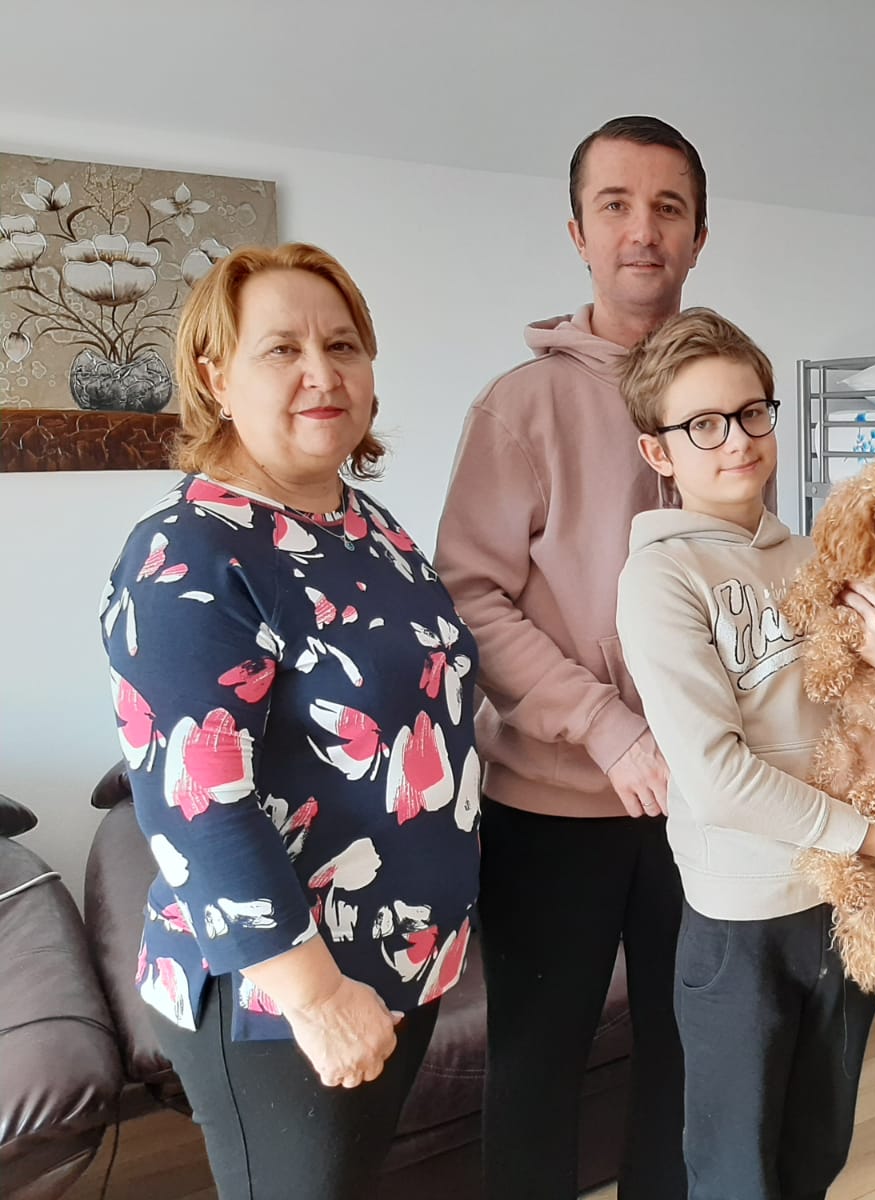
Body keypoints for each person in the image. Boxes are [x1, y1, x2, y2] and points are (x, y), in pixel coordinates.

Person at [101, 243, 481, 1199]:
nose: (324, 372)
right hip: (283, 993)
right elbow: (196, 804)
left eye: (343, 345)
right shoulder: (187, 552)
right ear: (214, 377)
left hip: (397, 955)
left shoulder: (370, 528)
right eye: (282, 349)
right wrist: (315, 995)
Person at [433, 115, 707, 1198]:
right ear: (578, 233)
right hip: (550, 811)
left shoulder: (724, 396)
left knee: (685, 1062)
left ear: (697, 237)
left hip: (698, 804)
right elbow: (469, 596)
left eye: (668, 208)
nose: (643, 229)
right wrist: (605, 724)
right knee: (537, 1072)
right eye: (616, 205)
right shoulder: (522, 404)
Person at [612, 307, 875, 1197]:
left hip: (844, 904)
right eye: (704, 425)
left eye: (752, 412)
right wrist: (864, 834)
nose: (738, 441)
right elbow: (714, 775)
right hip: (741, 920)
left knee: (815, 1153)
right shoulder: (661, 578)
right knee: (736, 1171)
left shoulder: (817, 559)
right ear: (658, 452)